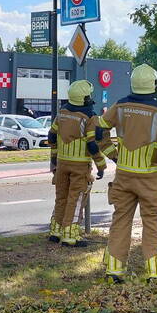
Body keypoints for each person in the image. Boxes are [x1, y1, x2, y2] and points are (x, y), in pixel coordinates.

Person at [97, 64, 157, 282]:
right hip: (150, 178)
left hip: (124, 175)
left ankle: (114, 272)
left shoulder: (121, 105)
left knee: (120, 221)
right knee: (153, 222)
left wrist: (112, 154)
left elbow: (99, 129)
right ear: (154, 84)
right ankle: (155, 273)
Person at [48, 80, 107, 247]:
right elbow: (92, 144)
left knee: (61, 197)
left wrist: (54, 159)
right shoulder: (90, 117)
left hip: (62, 163)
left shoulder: (62, 113)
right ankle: (70, 235)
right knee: (76, 198)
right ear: (85, 97)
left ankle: (55, 231)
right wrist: (101, 165)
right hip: (80, 165)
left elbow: (52, 136)